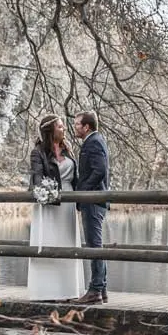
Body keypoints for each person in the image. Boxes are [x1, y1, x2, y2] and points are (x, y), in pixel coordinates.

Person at [26, 114, 85, 301]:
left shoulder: (68, 150)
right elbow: (37, 178)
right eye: (60, 126)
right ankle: (46, 291)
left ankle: (69, 290)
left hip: (68, 205)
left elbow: (76, 177)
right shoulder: (38, 152)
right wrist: (48, 193)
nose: (64, 129)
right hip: (49, 206)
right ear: (50, 130)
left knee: (68, 244)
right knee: (49, 243)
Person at [72, 111, 110, 304]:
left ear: (86, 126)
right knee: (96, 245)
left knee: (94, 246)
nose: (75, 127)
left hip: (93, 201)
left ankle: (95, 289)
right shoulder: (95, 140)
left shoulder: (93, 142)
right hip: (94, 201)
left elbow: (100, 170)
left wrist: (84, 192)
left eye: (77, 124)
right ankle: (101, 289)